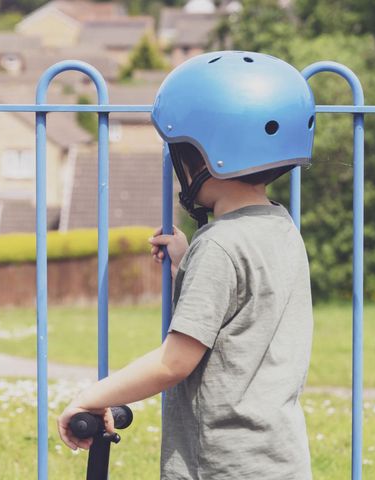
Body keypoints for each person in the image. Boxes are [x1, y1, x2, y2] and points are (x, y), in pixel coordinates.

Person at [57, 51, 317, 479]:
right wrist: (186, 264)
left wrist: (92, 396)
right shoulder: (281, 228)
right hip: (277, 459)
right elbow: (243, 311)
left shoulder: (219, 245)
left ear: (208, 155)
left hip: (221, 464)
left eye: (181, 151)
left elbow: (173, 363)